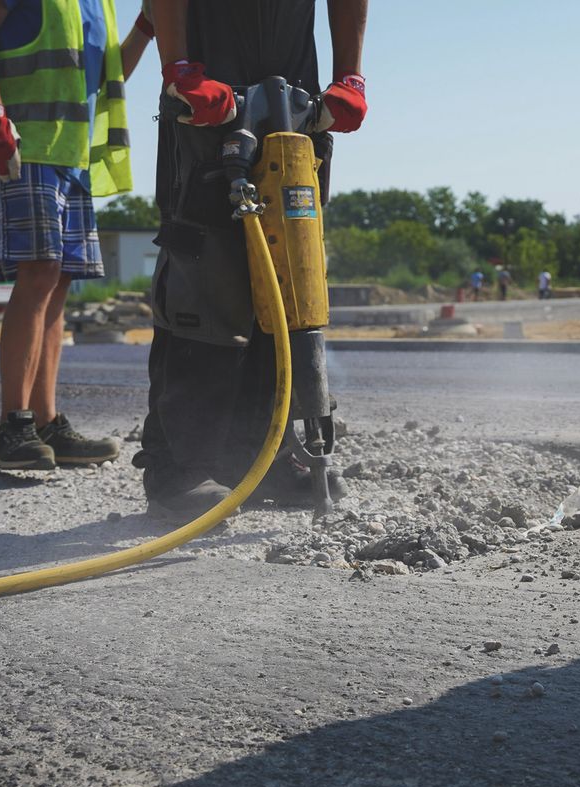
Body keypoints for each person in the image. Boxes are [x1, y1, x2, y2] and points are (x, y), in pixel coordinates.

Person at [134, 0, 368, 519]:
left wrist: (350, 79)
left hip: (295, 84)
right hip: (207, 74)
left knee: (290, 262)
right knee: (206, 265)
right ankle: (180, 469)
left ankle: (270, 458)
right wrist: (178, 69)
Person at [0, 0, 140, 471]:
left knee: (58, 282)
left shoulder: (99, 6)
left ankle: (44, 422)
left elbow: (107, 81)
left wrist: (146, 26)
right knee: (39, 272)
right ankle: (11, 428)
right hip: (21, 145)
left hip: (70, 156)